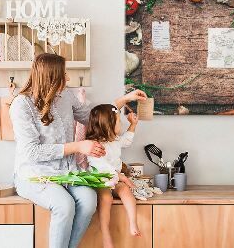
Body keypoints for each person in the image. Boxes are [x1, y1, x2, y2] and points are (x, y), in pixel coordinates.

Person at [9, 53, 147, 248]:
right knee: (64, 205)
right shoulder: (21, 105)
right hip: (34, 176)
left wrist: (125, 99)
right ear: (51, 76)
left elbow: (94, 116)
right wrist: (77, 146)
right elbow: (31, 151)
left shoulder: (65, 96)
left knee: (89, 201)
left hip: (67, 173)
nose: (67, 78)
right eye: (63, 74)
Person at [86, 104, 140, 248]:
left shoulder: (114, 140)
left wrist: (133, 125)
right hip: (100, 179)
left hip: (115, 179)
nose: (121, 124)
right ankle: (105, 234)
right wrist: (122, 177)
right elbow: (101, 166)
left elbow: (127, 141)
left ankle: (133, 222)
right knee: (106, 197)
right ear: (108, 125)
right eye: (118, 121)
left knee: (126, 191)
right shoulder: (94, 144)